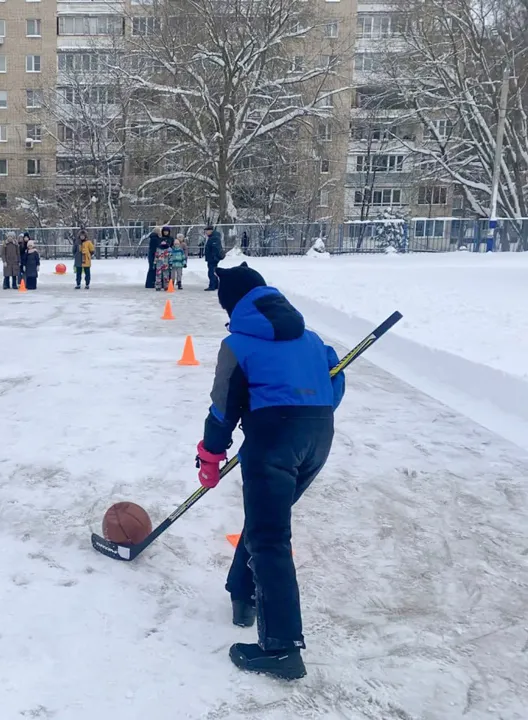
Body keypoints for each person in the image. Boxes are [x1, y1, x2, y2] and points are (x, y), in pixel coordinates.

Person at [195, 262, 345, 681]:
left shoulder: (239, 344)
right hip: (318, 436)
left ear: (234, 305)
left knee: (270, 536)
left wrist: (210, 455)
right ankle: (242, 593)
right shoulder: (312, 339)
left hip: (273, 442)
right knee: (266, 523)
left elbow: (224, 408)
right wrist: (308, 412)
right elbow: (337, 380)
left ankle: (281, 648)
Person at [203, 224, 225, 291]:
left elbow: (215, 248)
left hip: (213, 258)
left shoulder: (214, 238)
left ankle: (212, 285)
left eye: (207, 231)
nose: (206, 233)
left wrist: (213, 257)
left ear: (211, 231)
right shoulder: (213, 237)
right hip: (212, 258)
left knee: (211, 272)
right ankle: (216, 285)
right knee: (213, 271)